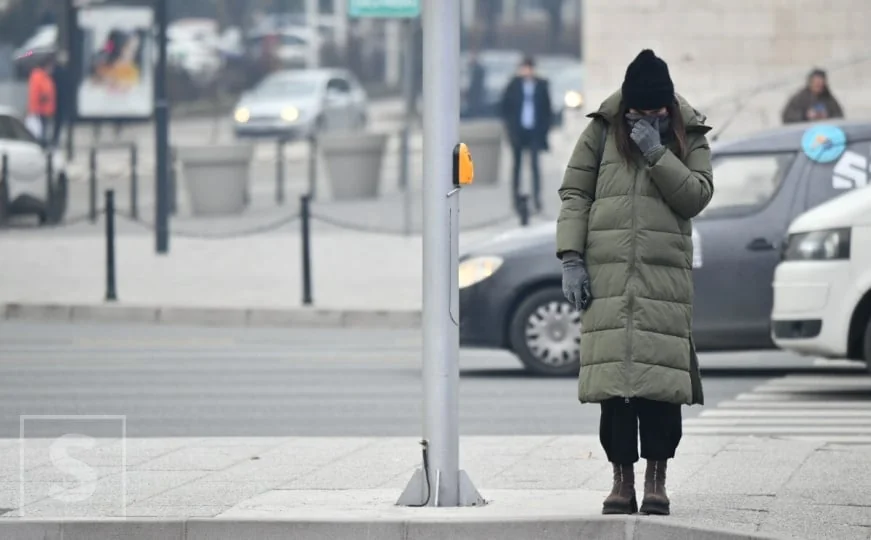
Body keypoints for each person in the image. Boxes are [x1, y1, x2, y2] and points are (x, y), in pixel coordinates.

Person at [555, 49, 713, 516]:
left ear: (668, 105)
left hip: (663, 278)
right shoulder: (602, 130)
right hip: (608, 275)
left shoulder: (690, 133)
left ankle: (656, 479)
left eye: (656, 112)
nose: (647, 119)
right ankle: (621, 480)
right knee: (615, 386)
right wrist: (571, 258)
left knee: (660, 384)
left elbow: (696, 196)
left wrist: (656, 152)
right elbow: (575, 193)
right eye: (638, 113)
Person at [500, 55, 552, 214]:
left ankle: (537, 199)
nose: (527, 71)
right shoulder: (513, 85)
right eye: (524, 68)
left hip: (534, 131)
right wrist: (510, 128)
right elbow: (505, 108)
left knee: (535, 166)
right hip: (518, 131)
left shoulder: (541, 85)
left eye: (529, 68)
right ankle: (515, 199)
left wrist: (544, 130)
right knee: (517, 166)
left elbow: (547, 109)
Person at [27, 56, 56, 148]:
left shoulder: (45, 76)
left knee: (44, 130)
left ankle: (43, 145)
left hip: (46, 110)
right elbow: (37, 93)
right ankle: (41, 146)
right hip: (40, 110)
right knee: (40, 131)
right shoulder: (39, 76)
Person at [51, 50, 70, 147]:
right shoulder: (65, 72)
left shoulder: (54, 72)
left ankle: (55, 139)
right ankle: (56, 140)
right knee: (59, 123)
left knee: (56, 123)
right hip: (61, 100)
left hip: (55, 100)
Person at [464, 50, 486, 118]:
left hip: (475, 90)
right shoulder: (474, 68)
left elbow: (476, 81)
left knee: (475, 102)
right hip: (474, 90)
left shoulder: (478, 69)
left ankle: (474, 113)